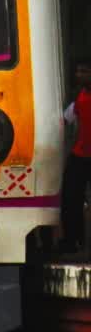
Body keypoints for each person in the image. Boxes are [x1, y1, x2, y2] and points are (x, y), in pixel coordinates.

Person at [62, 58, 91, 253]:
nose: (79, 75)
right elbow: (66, 118)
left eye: (84, 71)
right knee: (70, 199)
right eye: (78, 71)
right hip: (80, 155)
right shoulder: (80, 96)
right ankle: (73, 240)